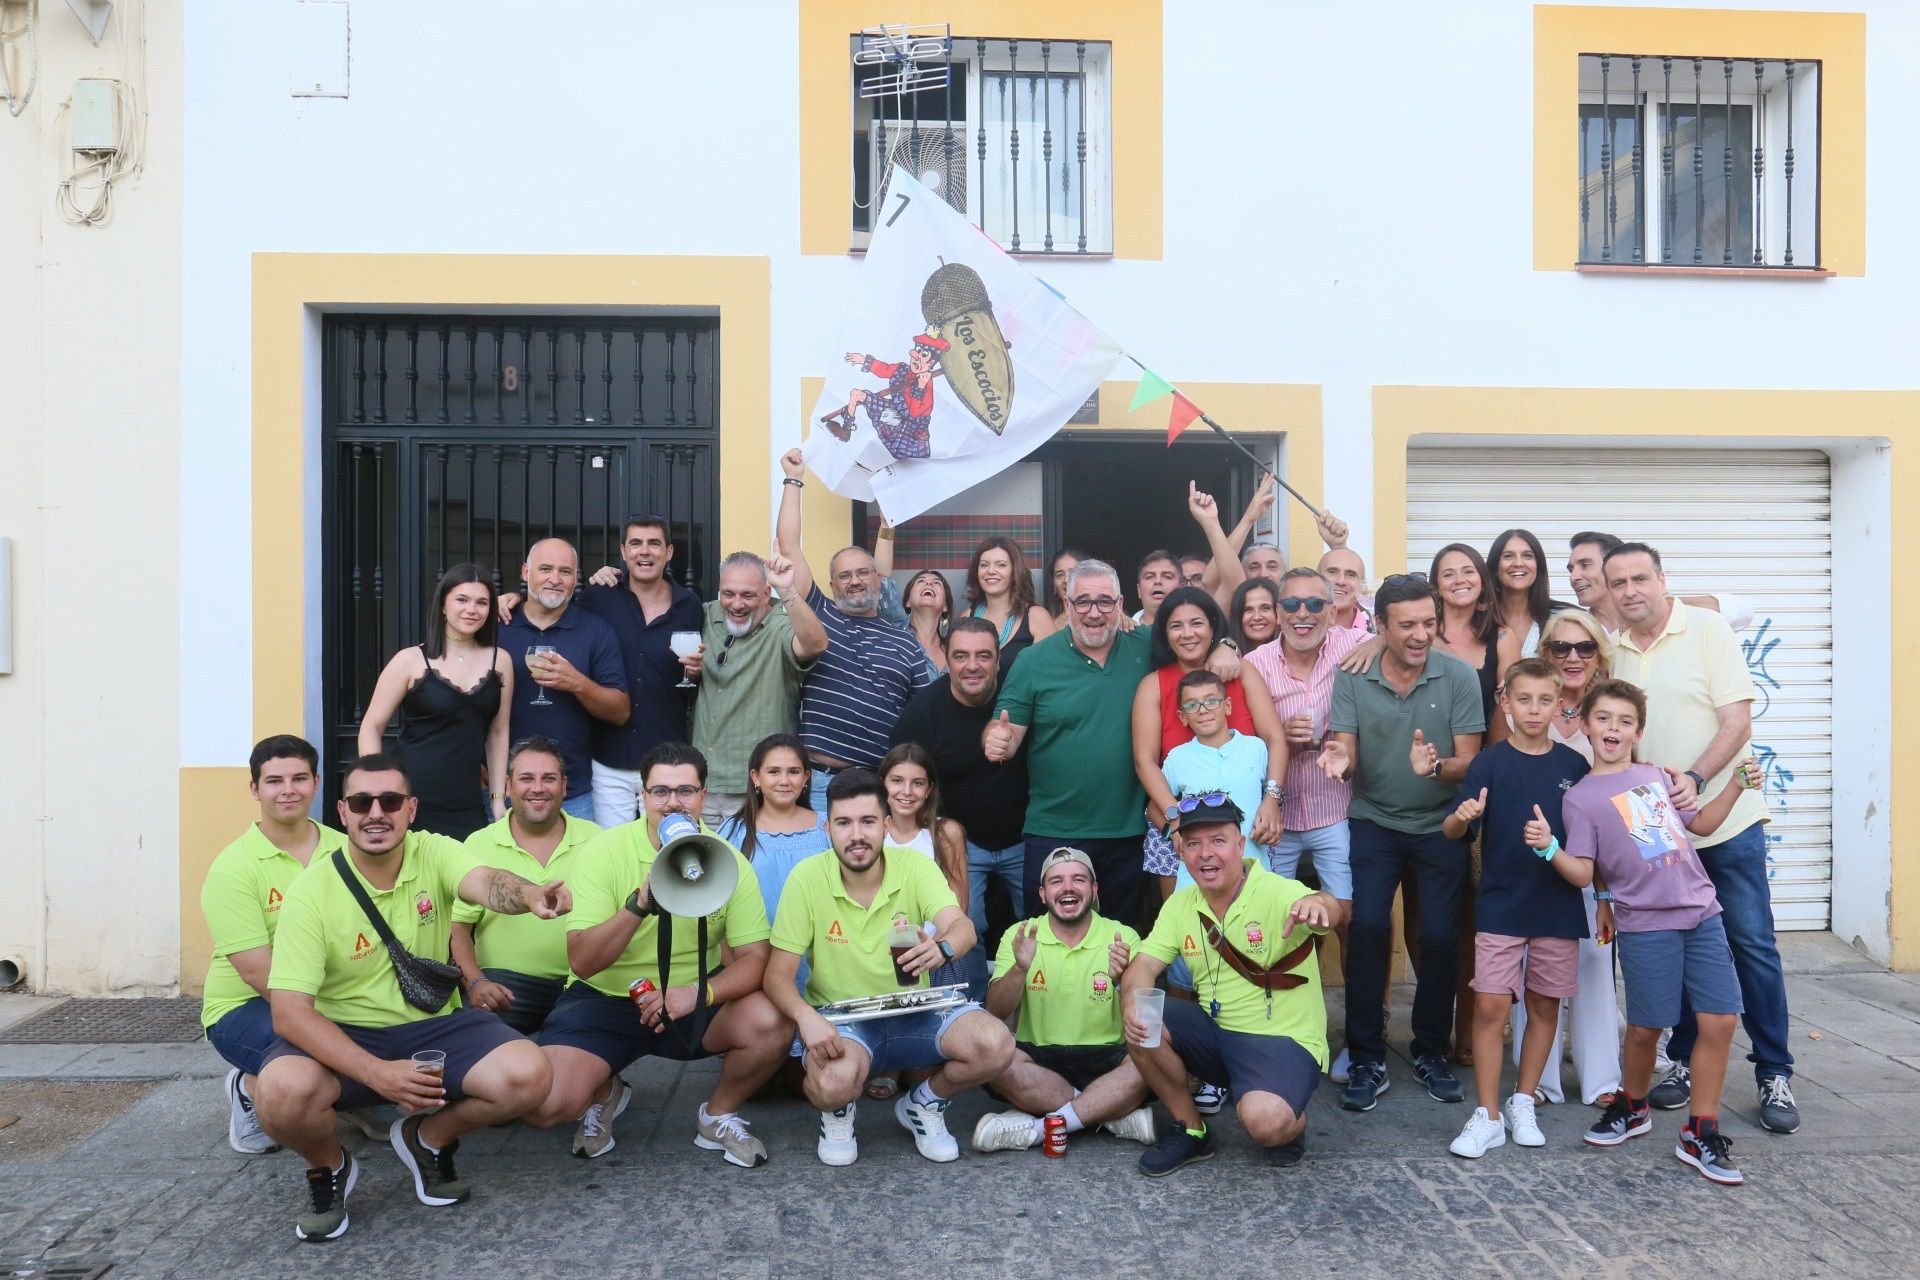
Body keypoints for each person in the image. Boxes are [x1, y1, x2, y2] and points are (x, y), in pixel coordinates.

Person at [253, 753, 567, 1242]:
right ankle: (328, 1167)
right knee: (276, 1093)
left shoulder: (434, 852)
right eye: (362, 802)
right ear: (342, 811)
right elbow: (290, 1015)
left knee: (530, 1076)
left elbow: (485, 881)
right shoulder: (310, 892)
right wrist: (378, 1074)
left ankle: (428, 1138)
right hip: (347, 1032)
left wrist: (530, 895)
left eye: (390, 800)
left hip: (432, 1025)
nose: (376, 811)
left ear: (411, 808)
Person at [1604, 542, 1798, 1135]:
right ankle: (1685, 1060)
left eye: (1641, 577)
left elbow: (1738, 718)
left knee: (1751, 945)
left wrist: (1694, 778)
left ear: (1663, 580)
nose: (1631, 589)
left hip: (1725, 815)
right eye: (1619, 582)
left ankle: (1773, 1071)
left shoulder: (1708, 628)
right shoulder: (1610, 648)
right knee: (1677, 939)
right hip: (1654, 824)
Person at [523, 742, 793, 1166]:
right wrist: (638, 905)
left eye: (686, 791)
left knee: (773, 1018)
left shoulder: (727, 860)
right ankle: (603, 1089)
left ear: (703, 796)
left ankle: (718, 1114)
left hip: (688, 997)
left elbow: (756, 959)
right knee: (546, 1105)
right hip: (606, 996)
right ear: (642, 796)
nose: (673, 803)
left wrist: (698, 993)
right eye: (660, 792)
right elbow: (582, 961)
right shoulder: (604, 852)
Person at [1563, 679, 1762, 1185]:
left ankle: (1701, 1129)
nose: (1614, 728)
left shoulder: (1655, 776)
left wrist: (1737, 783)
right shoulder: (1581, 798)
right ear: (1585, 724)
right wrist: (1587, 884)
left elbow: (1701, 825)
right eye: (1603, 718)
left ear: (1639, 731)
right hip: (1645, 922)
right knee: (1647, 1028)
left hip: (1701, 912)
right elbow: (1589, 865)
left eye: (1625, 721)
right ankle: (1632, 1106)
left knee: (1719, 1022)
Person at [764, 769, 1015, 1165]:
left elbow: (961, 924)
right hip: (844, 1021)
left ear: (884, 825)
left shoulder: (913, 866)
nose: (856, 835)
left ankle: (924, 1104)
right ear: (827, 829)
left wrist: (944, 948)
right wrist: (805, 1018)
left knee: (996, 1044)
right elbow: (776, 977)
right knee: (831, 1084)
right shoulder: (807, 877)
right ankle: (839, 1111)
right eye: (844, 823)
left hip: (919, 1008)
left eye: (867, 822)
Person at [1317, 573, 1485, 1112]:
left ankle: (1430, 1049)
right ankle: (1365, 1052)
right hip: (1374, 819)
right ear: (1380, 626)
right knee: (1366, 926)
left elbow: (1470, 760)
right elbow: (1342, 746)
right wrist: (1339, 760)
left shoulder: (1457, 675)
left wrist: (1437, 767)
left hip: (1441, 823)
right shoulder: (1355, 675)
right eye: (1407, 624)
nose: (1419, 634)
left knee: (1439, 937)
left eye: (1428, 623)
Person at [1122, 795, 1343, 1175]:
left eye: (1218, 841)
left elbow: (1325, 907)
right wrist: (1132, 1002)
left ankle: (1291, 1123)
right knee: (1144, 1018)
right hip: (1217, 1032)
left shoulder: (1276, 890)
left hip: (1283, 1040)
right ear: (1182, 851)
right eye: (1193, 844)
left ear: (1240, 845)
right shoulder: (1180, 904)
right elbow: (1143, 965)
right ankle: (1192, 1131)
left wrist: (1321, 907)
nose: (1206, 854)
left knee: (1264, 1124)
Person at [1440, 659, 1591, 1158]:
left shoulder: (1574, 767)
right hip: (1501, 903)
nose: (1533, 709)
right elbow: (1452, 830)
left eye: (1544, 700)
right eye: (1523, 699)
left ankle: (1523, 1099)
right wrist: (1462, 818)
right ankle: (1487, 1115)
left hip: (1557, 904)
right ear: (1505, 702)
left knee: (1546, 1003)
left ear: (1559, 704)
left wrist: (1606, 897)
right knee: (1489, 1003)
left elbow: (1594, 840)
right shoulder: (1488, 763)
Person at [200, 735, 349, 1155]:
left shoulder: (345, 850)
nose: (288, 790)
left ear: (317, 782)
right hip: (246, 1004)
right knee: (317, 1059)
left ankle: (342, 1098)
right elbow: (256, 972)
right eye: (274, 781)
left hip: (328, 994)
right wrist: (333, 1021)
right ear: (255, 789)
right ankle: (248, 1086)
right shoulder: (234, 868)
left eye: (299, 778)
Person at [988, 558, 1154, 929]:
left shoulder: (1146, 647)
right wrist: (998, 741)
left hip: (1126, 833)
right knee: (1047, 944)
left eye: (1104, 602)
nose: (1094, 613)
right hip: (1054, 832)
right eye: (1083, 602)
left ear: (1121, 603)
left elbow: (1200, 628)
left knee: (1121, 945)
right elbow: (1005, 733)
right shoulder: (1034, 661)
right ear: (1066, 604)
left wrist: (1225, 645)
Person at [777, 449, 934, 810]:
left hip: (874, 785)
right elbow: (789, 547)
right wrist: (793, 479)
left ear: (879, 580)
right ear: (832, 586)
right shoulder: (818, 614)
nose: (855, 582)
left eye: (863, 573)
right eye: (844, 576)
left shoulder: (906, 644)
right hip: (816, 783)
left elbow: (923, 718)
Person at [971, 848, 1157, 1153]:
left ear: (1094, 889)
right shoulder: (1020, 934)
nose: (1068, 887)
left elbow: (1143, 1020)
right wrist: (1020, 969)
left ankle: (1039, 1127)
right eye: (1056, 881)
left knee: (1152, 1057)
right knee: (992, 1058)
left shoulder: (1123, 936)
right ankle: (1106, 1113)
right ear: (1043, 893)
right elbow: (995, 1011)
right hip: (1039, 1059)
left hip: (1108, 1057)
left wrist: (1122, 979)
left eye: (1079, 879)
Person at [1513, 608, 1625, 1106]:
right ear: (1546, 655)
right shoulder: (1529, 704)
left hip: (1590, 863)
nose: (1573, 657)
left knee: (1596, 964)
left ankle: (1602, 1079)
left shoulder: (1610, 708)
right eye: (1561, 648)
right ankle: (1537, 1080)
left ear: (1599, 655)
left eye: (1584, 648)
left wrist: (1603, 891)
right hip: (1532, 860)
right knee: (1532, 970)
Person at [890, 617, 1031, 978]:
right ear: (947, 660)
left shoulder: (1020, 691)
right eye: (961, 656)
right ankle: (973, 1008)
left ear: (999, 659)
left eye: (984, 656)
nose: (972, 666)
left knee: (1038, 928)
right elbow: (902, 781)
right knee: (967, 928)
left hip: (1026, 836)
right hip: (961, 843)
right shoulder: (923, 713)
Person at [1133, 585, 1286, 902]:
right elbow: (1144, 761)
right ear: (1164, 633)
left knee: (1255, 918)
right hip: (1176, 822)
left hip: (1246, 827)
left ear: (1213, 627)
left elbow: (1274, 738)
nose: (1187, 634)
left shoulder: (1240, 671)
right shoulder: (1154, 684)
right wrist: (1175, 820)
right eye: (1176, 625)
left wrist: (1272, 798)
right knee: (1184, 925)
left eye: (1197, 623)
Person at [450, 737, 601, 1035]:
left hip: (583, 983)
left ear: (564, 785)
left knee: (576, 1065)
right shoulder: (478, 844)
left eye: (549, 778)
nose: (538, 788)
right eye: (526, 778)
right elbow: (457, 929)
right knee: (486, 1064)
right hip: (506, 986)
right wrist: (476, 983)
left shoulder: (598, 841)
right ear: (507, 786)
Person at [358, 563, 514, 839]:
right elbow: (372, 726)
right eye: (462, 600)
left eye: (482, 602)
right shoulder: (409, 660)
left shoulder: (500, 660)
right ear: (443, 604)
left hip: (467, 801)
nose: (471, 609)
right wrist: (378, 791)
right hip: (410, 799)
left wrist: (497, 798)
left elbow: (498, 733)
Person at [1245, 567, 1364, 919]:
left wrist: (1375, 640)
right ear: (1278, 611)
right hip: (1277, 814)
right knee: (1273, 914)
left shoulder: (1352, 644)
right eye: (1292, 603)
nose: (1302, 614)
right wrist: (1279, 736)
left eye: (1314, 603)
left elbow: (1393, 634)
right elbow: (1241, 743)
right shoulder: (1254, 664)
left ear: (1331, 610)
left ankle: (1355, 977)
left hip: (1336, 809)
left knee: (1346, 912)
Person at [573, 514, 706, 827]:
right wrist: (510, 600)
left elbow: (694, 681)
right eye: (636, 543)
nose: (644, 551)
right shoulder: (598, 597)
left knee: (665, 848)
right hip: (609, 758)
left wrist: (695, 673)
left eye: (653, 544)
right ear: (623, 552)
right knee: (611, 851)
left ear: (669, 552)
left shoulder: (689, 605)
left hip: (666, 758)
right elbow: (553, 612)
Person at [687, 549, 827, 825]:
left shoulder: (779, 624)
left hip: (756, 788)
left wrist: (787, 590)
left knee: (751, 866)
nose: (736, 604)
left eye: (747, 595)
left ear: (766, 594)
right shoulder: (704, 616)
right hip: (703, 784)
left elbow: (815, 643)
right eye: (728, 593)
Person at [498, 538, 629, 821]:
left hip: (574, 791)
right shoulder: (497, 626)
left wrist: (577, 683)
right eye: (545, 569)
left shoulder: (595, 630)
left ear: (575, 578)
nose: (555, 579)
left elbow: (620, 712)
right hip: (504, 789)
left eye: (565, 572)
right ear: (525, 572)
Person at [717, 733, 832, 937]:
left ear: (806, 777)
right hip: (750, 952)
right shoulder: (733, 831)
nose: (784, 781)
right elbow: (717, 905)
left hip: (820, 951)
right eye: (774, 772)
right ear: (756, 777)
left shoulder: (829, 827)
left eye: (794, 772)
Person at [1567, 532, 1755, 637]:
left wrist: (1666, 605)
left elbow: (1743, 612)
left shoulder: (1673, 616)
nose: (1574, 577)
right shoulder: (1576, 630)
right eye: (1571, 569)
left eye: (1585, 565)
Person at [879, 742, 970, 900]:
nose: (907, 791)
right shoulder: (871, 832)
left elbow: (959, 903)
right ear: (882, 783)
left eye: (918, 783)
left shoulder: (945, 832)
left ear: (929, 789)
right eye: (897, 781)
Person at [1487, 529, 1574, 678]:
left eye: (1527, 556)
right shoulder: (1480, 620)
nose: (1518, 563)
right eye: (1508, 556)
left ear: (1538, 566)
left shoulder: (1564, 617)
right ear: (1495, 567)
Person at [962, 536, 1056, 671]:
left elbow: (1049, 674)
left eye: (1001, 565)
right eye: (984, 565)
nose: (991, 571)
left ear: (1014, 572)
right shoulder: (966, 617)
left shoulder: (1037, 617)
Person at [1319, 547, 1373, 635]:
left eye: (1351, 574)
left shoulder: (1379, 634)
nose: (1341, 581)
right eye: (1332, 572)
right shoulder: (1297, 630)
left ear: (1362, 585)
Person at [1229, 576, 1281, 653]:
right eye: (1248, 610)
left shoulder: (1295, 655)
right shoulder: (1227, 656)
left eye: (1265, 608)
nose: (1257, 617)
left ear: (1279, 612)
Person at [1131, 549, 1183, 627]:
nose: (1157, 581)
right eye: (1149, 577)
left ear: (1181, 588)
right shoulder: (1120, 634)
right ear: (1139, 590)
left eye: (1167, 576)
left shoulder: (1194, 632)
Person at [1047, 548, 1083, 628]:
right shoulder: (1049, 625)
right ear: (1054, 586)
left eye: (1073, 573)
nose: (1066, 580)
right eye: (1060, 575)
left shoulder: (1107, 617)